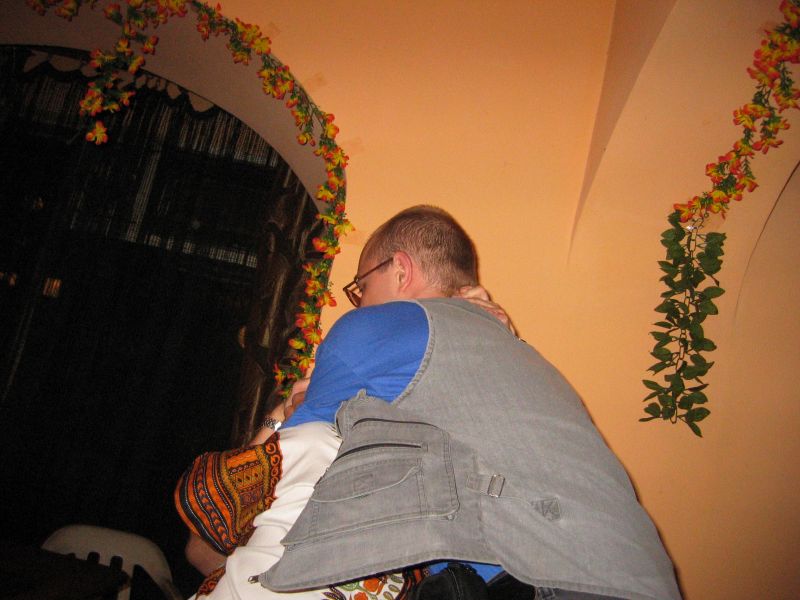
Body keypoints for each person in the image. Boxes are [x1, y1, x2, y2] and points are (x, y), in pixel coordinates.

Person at [257, 205, 682, 600]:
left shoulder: (379, 327)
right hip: (633, 576)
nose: (361, 302)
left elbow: (269, 472)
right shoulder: (517, 354)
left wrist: (281, 412)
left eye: (362, 287)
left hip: (552, 576)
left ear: (400, 270)